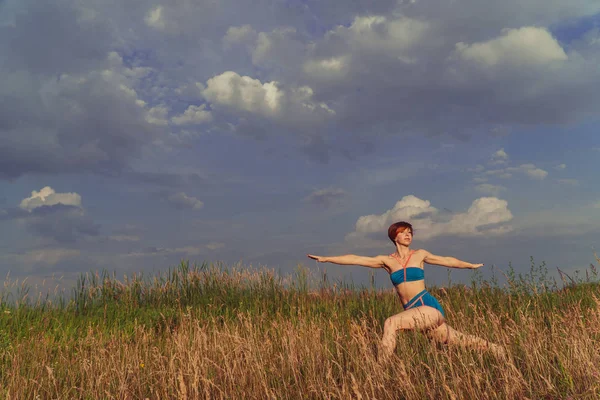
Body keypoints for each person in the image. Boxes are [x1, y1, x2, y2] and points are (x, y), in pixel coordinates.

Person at [307, 221, 505, 359]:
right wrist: (327, 259)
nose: (408, 234)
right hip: (412, 310)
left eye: (410, 231)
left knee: (391, 323)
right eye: (404, 231)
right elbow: (356, 259)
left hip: (428, 306)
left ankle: (378, 372)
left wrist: (470, 265)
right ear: (395, 236)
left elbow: (446, 260)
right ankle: (498, 350)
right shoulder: (387, 261)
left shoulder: (420, 255)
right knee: (457, 341)